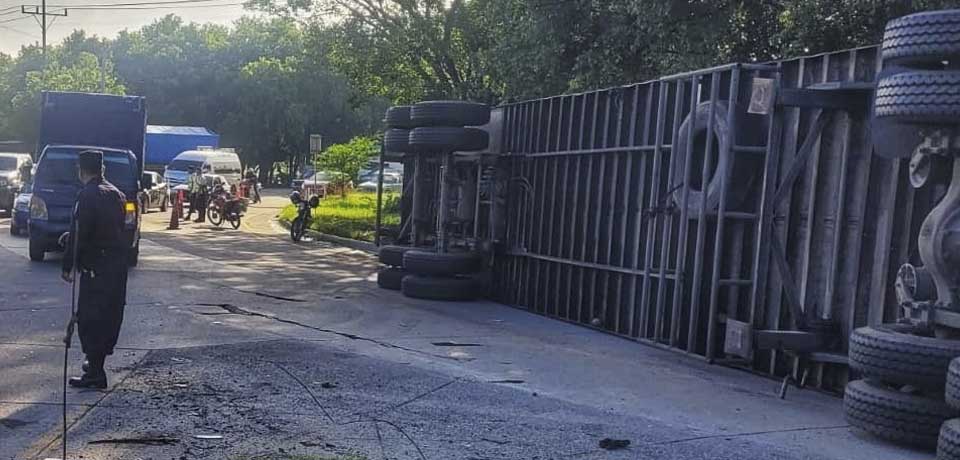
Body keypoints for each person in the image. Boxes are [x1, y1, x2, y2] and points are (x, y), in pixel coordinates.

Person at [61, 150, 129, 389]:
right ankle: (95, 365)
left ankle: (96, 373)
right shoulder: (117, 194)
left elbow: (81, 233)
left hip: (96, 268)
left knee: (91, 318)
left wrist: (68, 265)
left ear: (81, 170)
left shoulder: (87, 195)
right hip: (116, 266)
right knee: (108, 316)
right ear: (102, 169)